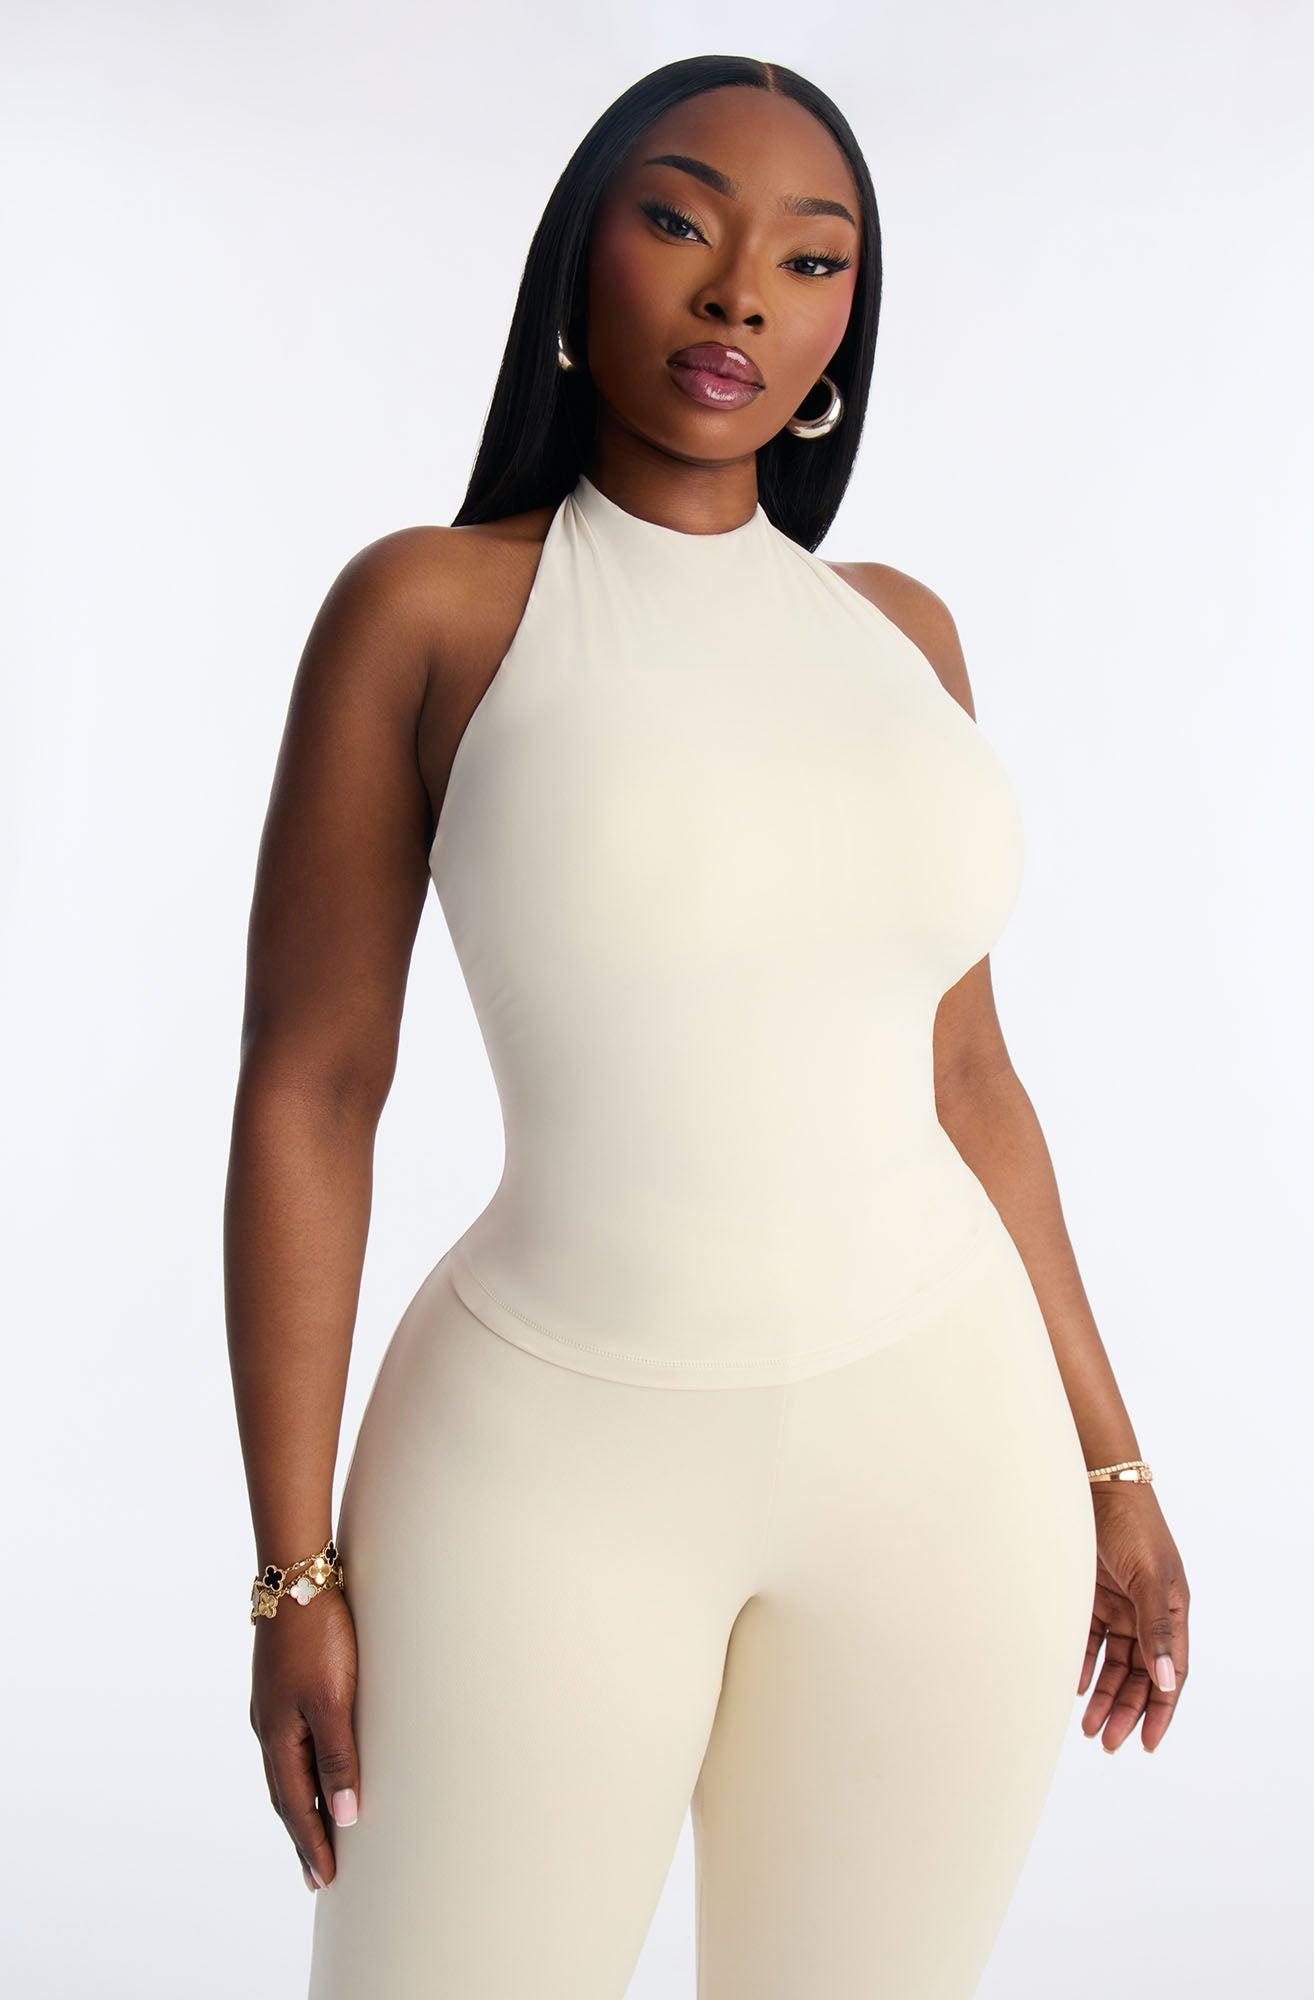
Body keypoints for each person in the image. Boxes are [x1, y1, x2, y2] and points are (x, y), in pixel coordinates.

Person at [225, 53, 1191, 2000]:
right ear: (578, 257)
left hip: (946, 1463)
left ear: (842, 332)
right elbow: (311, 1093)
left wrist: (1113, 1465)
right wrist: (292, 1569)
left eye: (810, 259)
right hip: (541, 1473)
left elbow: (967, 1077)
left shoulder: (900, 636)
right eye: (679, 221)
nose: (740, 288)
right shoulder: (429, 613)